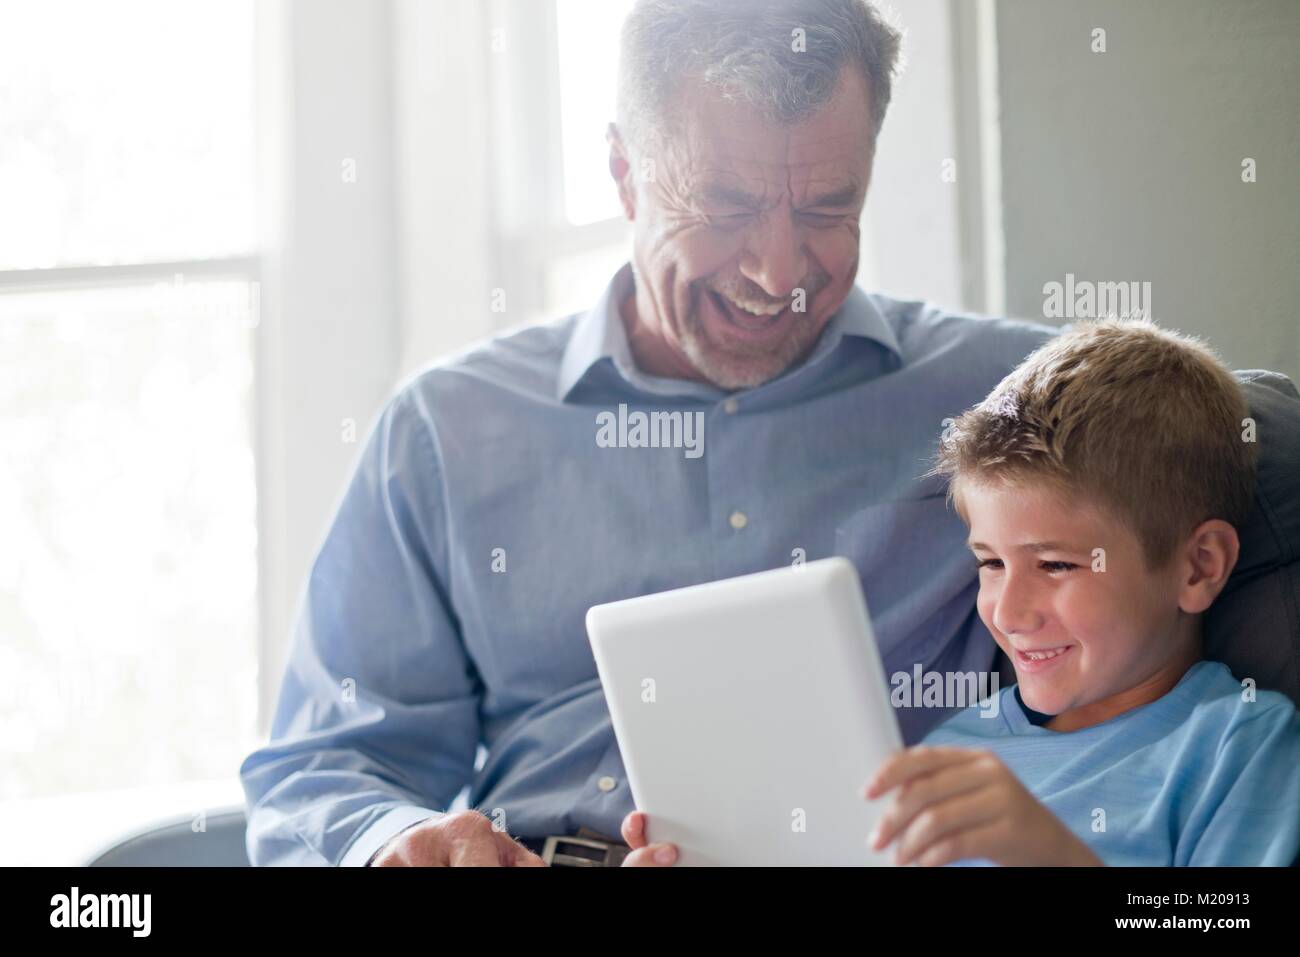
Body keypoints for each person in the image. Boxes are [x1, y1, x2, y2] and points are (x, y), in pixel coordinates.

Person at [239, 0, 1293, 868]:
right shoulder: (447, 430)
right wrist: (401, 842)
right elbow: (318, 767)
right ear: (622, 174)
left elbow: (1179, 435)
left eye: (828, 208)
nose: (780, 274)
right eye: (729, 206)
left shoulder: (1001, 406)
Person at [862, 319, 1300, 866]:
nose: (1009, 613)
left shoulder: (1235, 748)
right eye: (992, 562)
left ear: (1198, 568)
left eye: (1055, 564)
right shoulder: (952, 750)